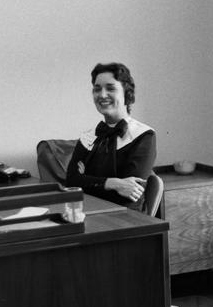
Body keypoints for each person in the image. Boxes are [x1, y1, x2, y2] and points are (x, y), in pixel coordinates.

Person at [66, 62, 156, 211]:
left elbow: (128, 196)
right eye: (97, 89)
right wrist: (114, 183)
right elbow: (71, 182)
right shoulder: (88, 137)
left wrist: (88, 181)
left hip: (126, 220)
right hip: (89, 214)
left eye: (110, 88)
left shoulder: (144, 136)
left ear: (127, 93)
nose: (102, 95)